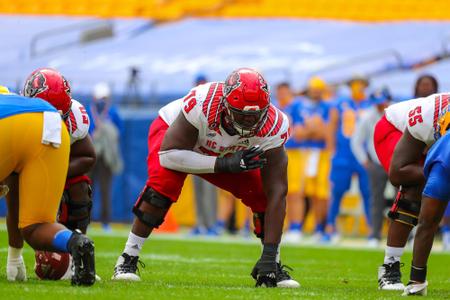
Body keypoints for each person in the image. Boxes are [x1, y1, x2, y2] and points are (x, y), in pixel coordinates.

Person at [111, 68, 299, 288]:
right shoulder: (203, 102)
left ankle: (272, 265)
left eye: (255, 115)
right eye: (242, 114)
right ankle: (127, 258)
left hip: (223, 151)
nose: (249, 122)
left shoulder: (274, 125)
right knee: (162, 189)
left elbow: (277, 191)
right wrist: (226, 164)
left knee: (263, 196)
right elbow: (169, 156)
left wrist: (269, 255)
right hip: (175, 139)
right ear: (227, 105)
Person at [5, 68, 97, 281]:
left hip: (56, 163)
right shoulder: (18, 112)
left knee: (80, 190)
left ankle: (77, 255)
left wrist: (54, 173)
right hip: (28, 160)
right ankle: (18, 257)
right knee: (19, 202)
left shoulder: (74, 120)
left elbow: (88, 157)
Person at [373, 80, 440, 291]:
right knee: (411, 189)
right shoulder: (430, 116)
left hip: (424, 138)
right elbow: (398, 173)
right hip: (394, 129)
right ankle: (389, 266)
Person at [402, 121, 450, 296]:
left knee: (426, 223)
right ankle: (417, 280)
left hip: (443, 159)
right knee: (427, 221)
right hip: (445, 160)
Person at [325, 75, 372, 242]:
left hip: (364, 154)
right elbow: (331, 127)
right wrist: (331, 151)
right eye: (354, 84)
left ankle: (372, 231)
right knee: (337, 191)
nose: (357, 87)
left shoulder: (371, 103)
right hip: (343, 154)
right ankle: (330, 228)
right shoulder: (340, 103)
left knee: (368, 192)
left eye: (361, 84)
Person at [285, 77, 331, 242]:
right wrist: (314, 129)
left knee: (319, 193)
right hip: (301, 151)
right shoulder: (298, 105)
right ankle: (296, 227)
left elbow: (326, 133)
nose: (316, 92)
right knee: (296, 191)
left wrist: (311, 130)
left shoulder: (328, 106)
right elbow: (297, 133)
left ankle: (320, 228)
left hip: (319, 153)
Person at [351, 88, 392, 247]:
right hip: (376, 163)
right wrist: (364, 161)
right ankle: (375, 235)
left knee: (401, 199)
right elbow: (356, 141)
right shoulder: (367, 116)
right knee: (376, 199)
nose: (379, 106)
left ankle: (407, 236)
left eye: (382, 102)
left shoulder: (397, 112)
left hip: (397, 162)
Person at [87, 82, 123, 231]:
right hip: (90, 154)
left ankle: (106, 222)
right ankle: (85, 220)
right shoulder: (88, 111)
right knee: (87, 190)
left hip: (106, 157)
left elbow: (119, 132)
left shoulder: (113, 112)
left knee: (105, 190)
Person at [190, 73, 219, 235]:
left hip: (210, 155)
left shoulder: (213, 105)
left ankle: (211, 224)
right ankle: (200, 223)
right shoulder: (192, 105)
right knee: (198, 192)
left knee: (209, 192)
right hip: (195, 154)